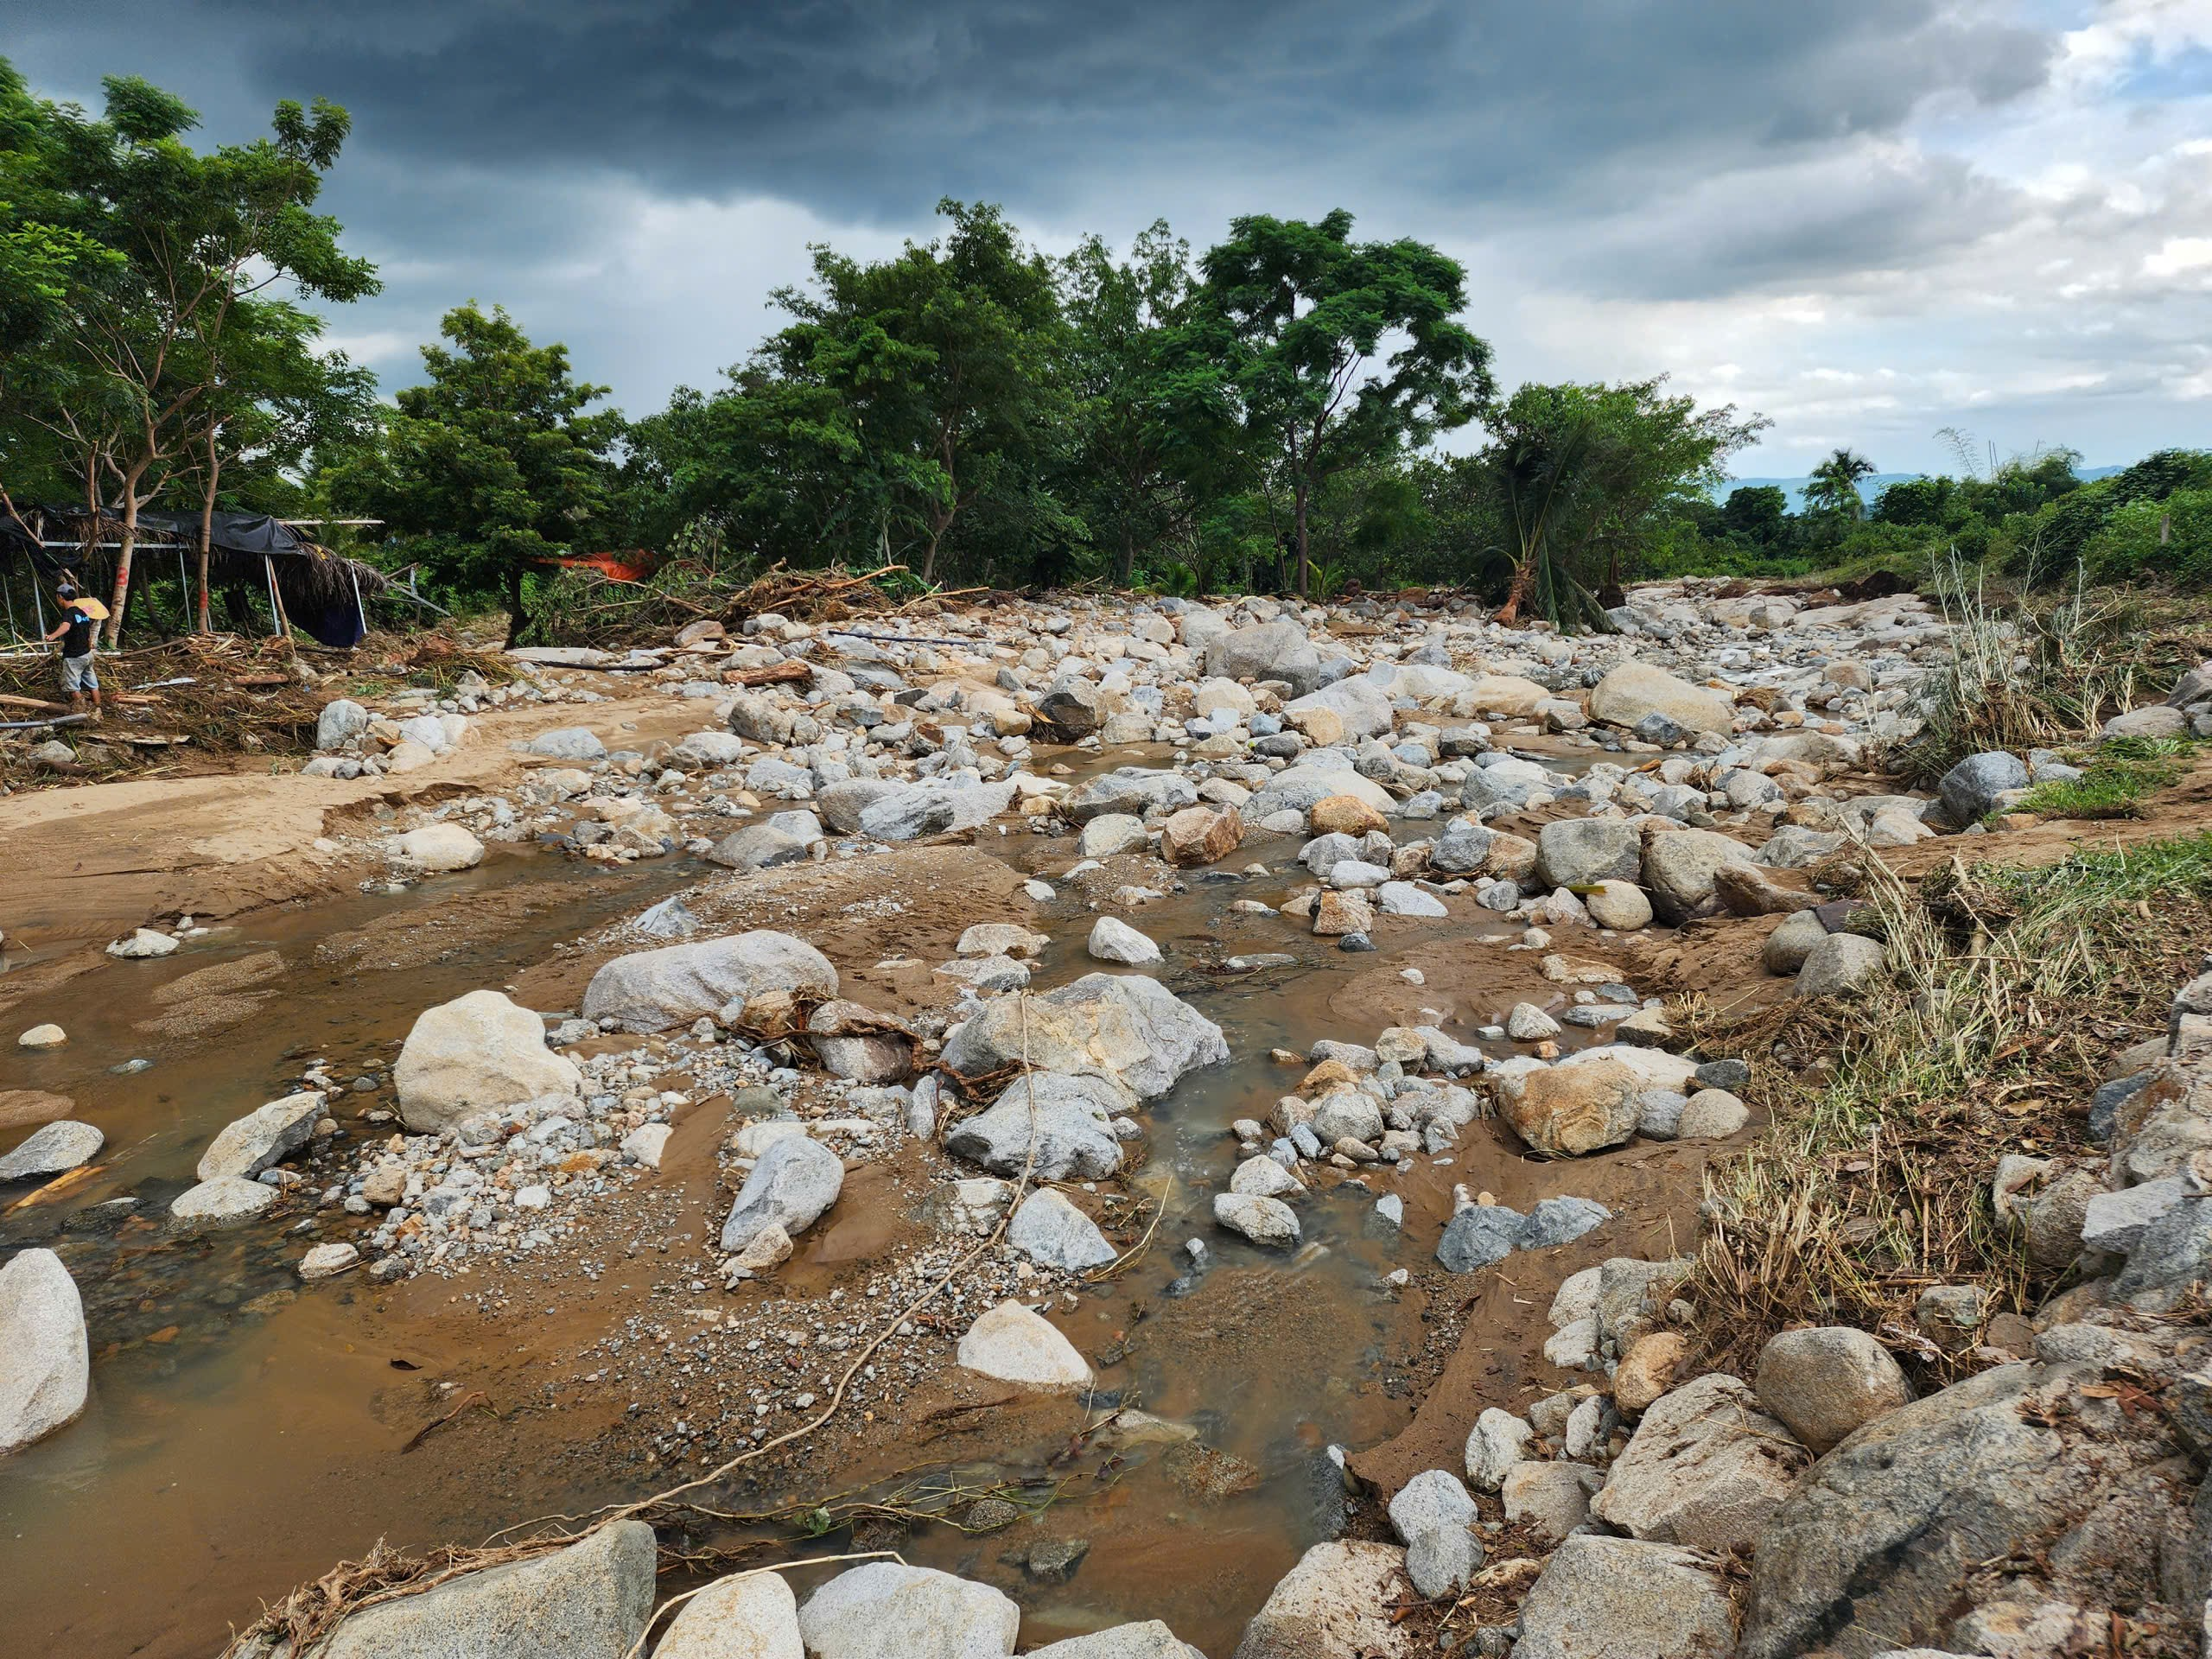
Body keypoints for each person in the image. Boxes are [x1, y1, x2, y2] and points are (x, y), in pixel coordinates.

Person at [41, 580, 103, 720]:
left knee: (73, 687)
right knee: (93, 684)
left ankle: (86, 714)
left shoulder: (69, 613)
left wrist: (52, 636)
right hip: (87, 655)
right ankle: (99, 710)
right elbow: (88, 635)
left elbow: (66, 626)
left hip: (74, 657)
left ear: (60, 597)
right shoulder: (83, 613)